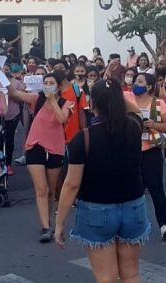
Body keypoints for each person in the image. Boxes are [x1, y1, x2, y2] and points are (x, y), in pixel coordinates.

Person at [54, 78, 150, 283]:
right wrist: (113, 90)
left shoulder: (83, 138)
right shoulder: (133, 127)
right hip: (134, 205)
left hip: (97, 210)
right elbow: (137, 112)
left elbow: (71, 185)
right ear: (119, 100)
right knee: (131, 274)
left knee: (106, 277)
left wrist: (60, 222)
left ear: (92, 103)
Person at [9, 72, 73, 242]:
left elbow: (62, 119)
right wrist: (4, 76)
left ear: (58, 86)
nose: (48, 85)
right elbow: (15, 94)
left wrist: (52, 100)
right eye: (45, 82)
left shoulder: (66, 103)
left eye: (51, 83)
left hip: (54, 149)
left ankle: (50, 221)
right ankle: (45, 226)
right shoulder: (36, 98)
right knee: (41, 189)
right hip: (35, 146)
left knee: (51, 190)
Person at [124, 72, 166, 239]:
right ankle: (132, 225)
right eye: (135, 80)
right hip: (130, 150)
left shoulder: (158, 103)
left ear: (149, 86)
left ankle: (164, 224)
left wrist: (154, 125)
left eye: (140, 81)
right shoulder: (127, 97)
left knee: (156, 188)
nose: (135, 83)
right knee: (132, 189)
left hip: (151, 150)